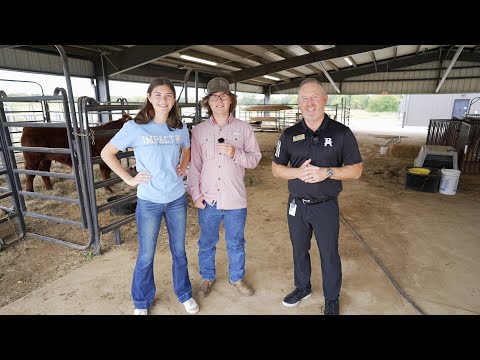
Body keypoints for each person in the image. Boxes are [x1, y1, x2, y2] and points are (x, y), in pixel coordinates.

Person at [101, 77, 199, 315]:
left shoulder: (179, 127)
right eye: (158, 95)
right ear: (149, 97)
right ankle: (142, 301)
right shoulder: (135, 127)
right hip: (149, 201)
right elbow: (107, 153)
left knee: (179, 251)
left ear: (174, 99)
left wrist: (183, 166)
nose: (163, 100)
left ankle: (184, 294)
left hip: (176, 198)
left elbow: (188, 149)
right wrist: (129, 179)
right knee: (146, 253)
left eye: (168, 95)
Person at [271, 78, 363, 315]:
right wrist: (298, 172)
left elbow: (356, 170)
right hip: (297, 206)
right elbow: (276, 169)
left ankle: (332, 297)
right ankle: (302, 287)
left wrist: (327, 172)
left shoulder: (342, 133)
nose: (309, 103)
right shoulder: (289, 134)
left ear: (325, 100)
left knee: (329, 253)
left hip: (325, 206)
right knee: (299, 249)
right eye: (304, 98)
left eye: (314, 97)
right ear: (298, 103)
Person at [187, 77, 261, 299]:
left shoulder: (244, 128)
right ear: (207, 102)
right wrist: (195, 193)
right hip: (208, 198)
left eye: (223, 96)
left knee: (236, 242)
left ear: (231, 100)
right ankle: (207, 277)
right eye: (214, 96)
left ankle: (236, 277)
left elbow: (255, 159)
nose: (219, 100)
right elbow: (195, 165)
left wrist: (235, 153)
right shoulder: (198, 131)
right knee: (207, 242)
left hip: (235, 198)